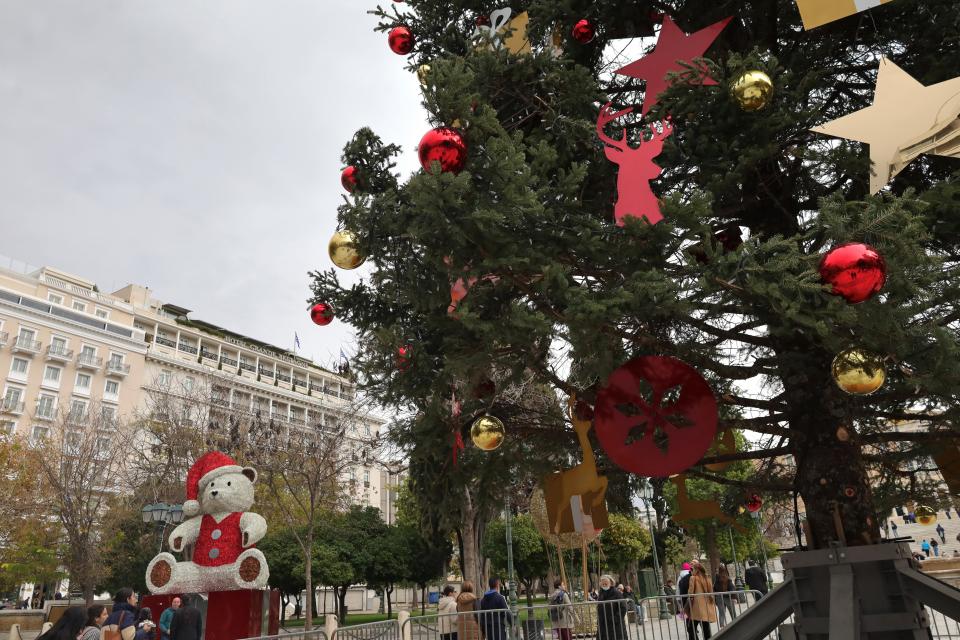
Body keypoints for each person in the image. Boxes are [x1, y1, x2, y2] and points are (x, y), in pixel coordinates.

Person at [688, 563, 717, 639]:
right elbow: (711, 591)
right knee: (706, 627)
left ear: (697, 570)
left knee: (691, 627)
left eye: (693, 569)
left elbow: (690, 593)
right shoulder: (707, 578)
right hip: (706, 606)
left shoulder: (693, 578)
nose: (692, 571)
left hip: (696, 606)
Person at [596, 575, 627, 640]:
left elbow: (623, 607)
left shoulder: (616, 593)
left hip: (615, 625)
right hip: (603, 624)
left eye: (606, 583)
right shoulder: (601, 593)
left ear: (611, 583)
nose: (604, 585)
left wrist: (615, 619)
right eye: (603, 584)